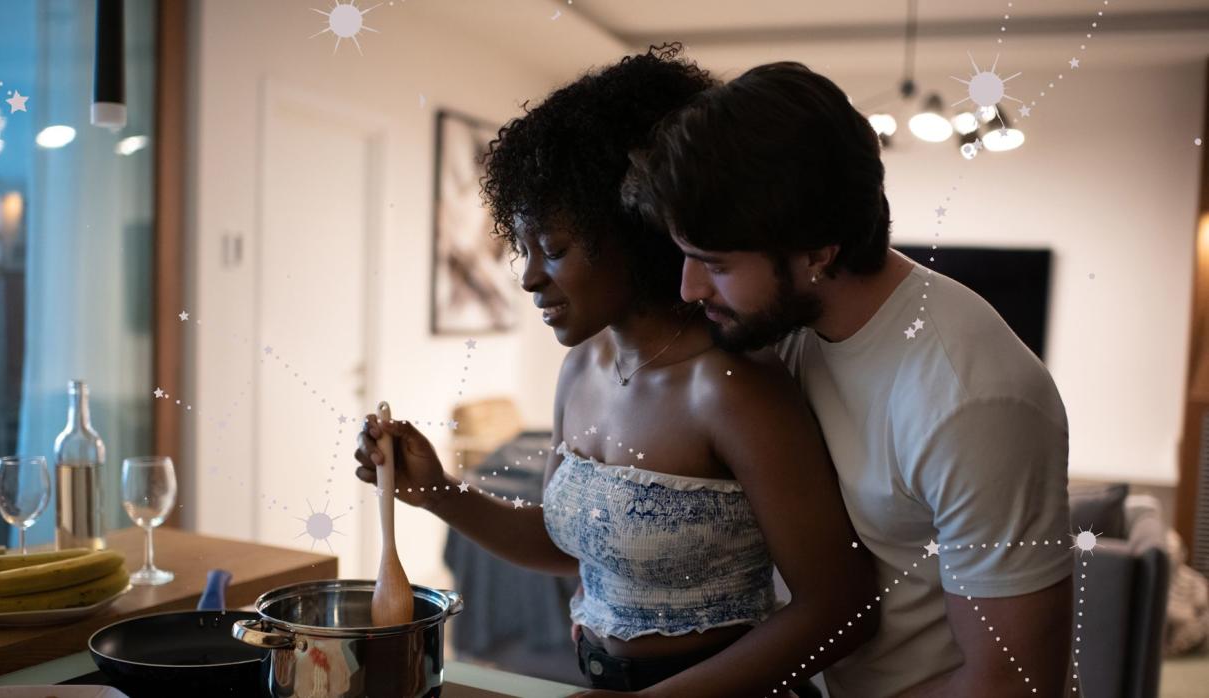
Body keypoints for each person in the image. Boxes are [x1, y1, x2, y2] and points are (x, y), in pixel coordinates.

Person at [355, 46, 878, 697]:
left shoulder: (731, 390)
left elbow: (843, 609)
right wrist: (435, 490)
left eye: (555, 249)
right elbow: (569, 544)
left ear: (632, 232)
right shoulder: (582, 368)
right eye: (523, 249)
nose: (528, 278)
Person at [624, 61, 1074, 697]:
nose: (689, 289)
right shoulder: (791, 326)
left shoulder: (971, 398)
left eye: (714, 265)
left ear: (817, 250)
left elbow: (1012, 683)